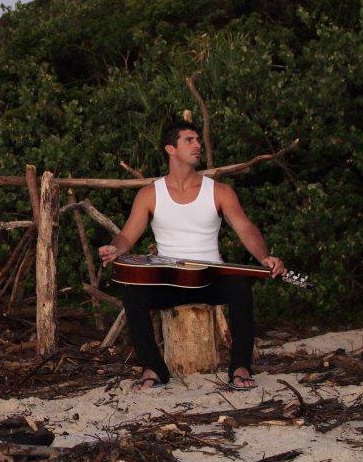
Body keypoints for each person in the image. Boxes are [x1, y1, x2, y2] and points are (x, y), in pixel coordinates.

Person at [98, 119, 285, 390]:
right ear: (170, 149)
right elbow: (127, 235)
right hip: (168, 282)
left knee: (240, 286)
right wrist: (115, 248)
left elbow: (245, 228)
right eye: (189, 140)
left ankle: (241, 367)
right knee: (132, 291)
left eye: (198, 140)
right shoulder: (150, 194)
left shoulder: (219, 191)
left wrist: (264, 257)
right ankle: (153, 368)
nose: (197, 145)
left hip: (210, 280)